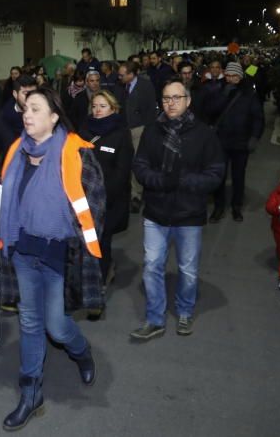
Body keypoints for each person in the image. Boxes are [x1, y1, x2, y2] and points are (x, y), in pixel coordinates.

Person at [0, 87, 106, 431]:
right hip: (24, 252)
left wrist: (73, 241)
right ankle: (31, 393)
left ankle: (81, 349)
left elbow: (95, 207)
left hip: (61, 255)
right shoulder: (17, 150)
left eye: (35, 109)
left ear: (54, 117)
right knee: (30, 322)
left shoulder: (76, 152)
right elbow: (6, 197)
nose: (26, 115)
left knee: (56, 326)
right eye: (24, 108)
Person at [130, 79, 225, 340]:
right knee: (151, 266)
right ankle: (154, 319)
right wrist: (161, 181)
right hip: (156, 213)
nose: (170, 103)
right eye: (166, 98)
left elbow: (216, 174)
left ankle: (184, 312)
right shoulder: (152, 131)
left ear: (188, 101)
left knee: (188, 270)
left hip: (189, 215)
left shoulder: (204, 134)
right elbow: (140, 167)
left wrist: (183, 180)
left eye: (176, 98)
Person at [77, 89, 133, 295]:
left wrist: (100, 194)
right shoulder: (84, 130)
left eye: (103, 106)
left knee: (103, 239)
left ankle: (101, 275)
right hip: (83, 198)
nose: (97, 110)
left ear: (113, 108)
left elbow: (122, 172)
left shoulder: (121, 134)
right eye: (95, 106)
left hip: (109, 199)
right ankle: (85, 274)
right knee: (85, 239)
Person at [207, 63, 264, 223]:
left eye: (235, 76)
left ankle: (236, 206)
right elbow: (210, 111)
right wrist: (223, 96)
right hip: (221, 142)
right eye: (229, 76)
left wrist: (254, 137)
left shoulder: (249, 94)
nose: (232, 79)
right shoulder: (218, 89)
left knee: (239, 176)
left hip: (241, 142)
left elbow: (258, 118)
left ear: (240, 76)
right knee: (220, 175)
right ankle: (219, 207)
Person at [117, 60, 157, 211]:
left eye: (122, 75)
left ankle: (136, 195)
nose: (119, 77)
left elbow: (151, 110)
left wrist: (148, 130)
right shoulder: (120, 86)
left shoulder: (146, 86)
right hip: (123, 130)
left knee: (136, 162)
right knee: (124, 162)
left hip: (139, 129)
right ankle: (126, 193)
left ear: (131, 74)